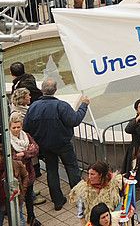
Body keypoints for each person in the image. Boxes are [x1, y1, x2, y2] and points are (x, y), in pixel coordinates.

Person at [22, 78, 90, 212]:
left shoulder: (33, 107)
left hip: (45, 145)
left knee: (51, 170)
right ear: (55, 90)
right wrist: (84, 105)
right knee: (72, 169)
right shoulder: (61, 106)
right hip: (63, 143)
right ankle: (78, 199)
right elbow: (75, 120)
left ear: (42, 90)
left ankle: (57, 201)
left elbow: (26, 127)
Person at [7, 112, 40, 226]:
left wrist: (24, 153)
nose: (16, 130)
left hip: (28, 172)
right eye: (14, 128)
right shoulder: (7, 141)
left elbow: (35, 149)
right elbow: (11, 157)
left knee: (29, 197)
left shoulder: (26, 136)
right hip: (15, 175)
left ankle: (31, 218)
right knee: (18, 199)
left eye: (18, 127)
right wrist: (25, 153)